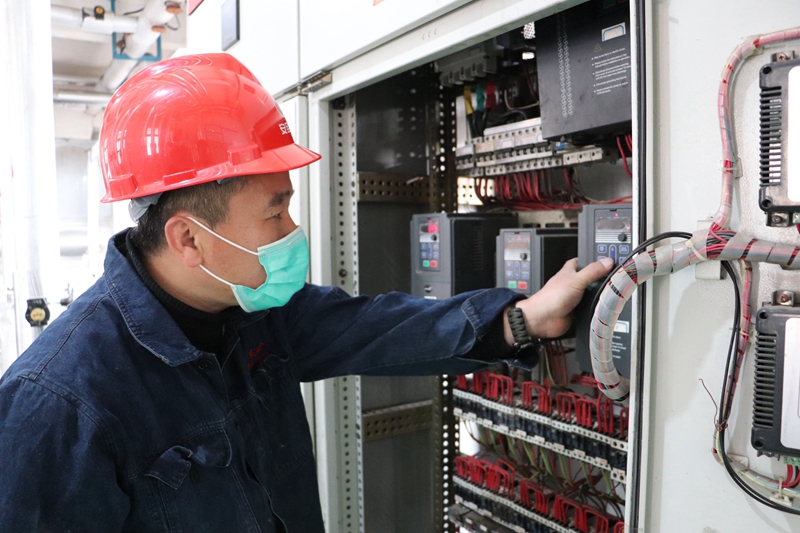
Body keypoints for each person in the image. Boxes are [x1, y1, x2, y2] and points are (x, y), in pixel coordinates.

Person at [0, 54, 613, 532]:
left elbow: (375, 327)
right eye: (276, 212)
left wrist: (523, 320)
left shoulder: (251, 310)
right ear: (189, 239)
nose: (293, 231)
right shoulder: (58, 404)